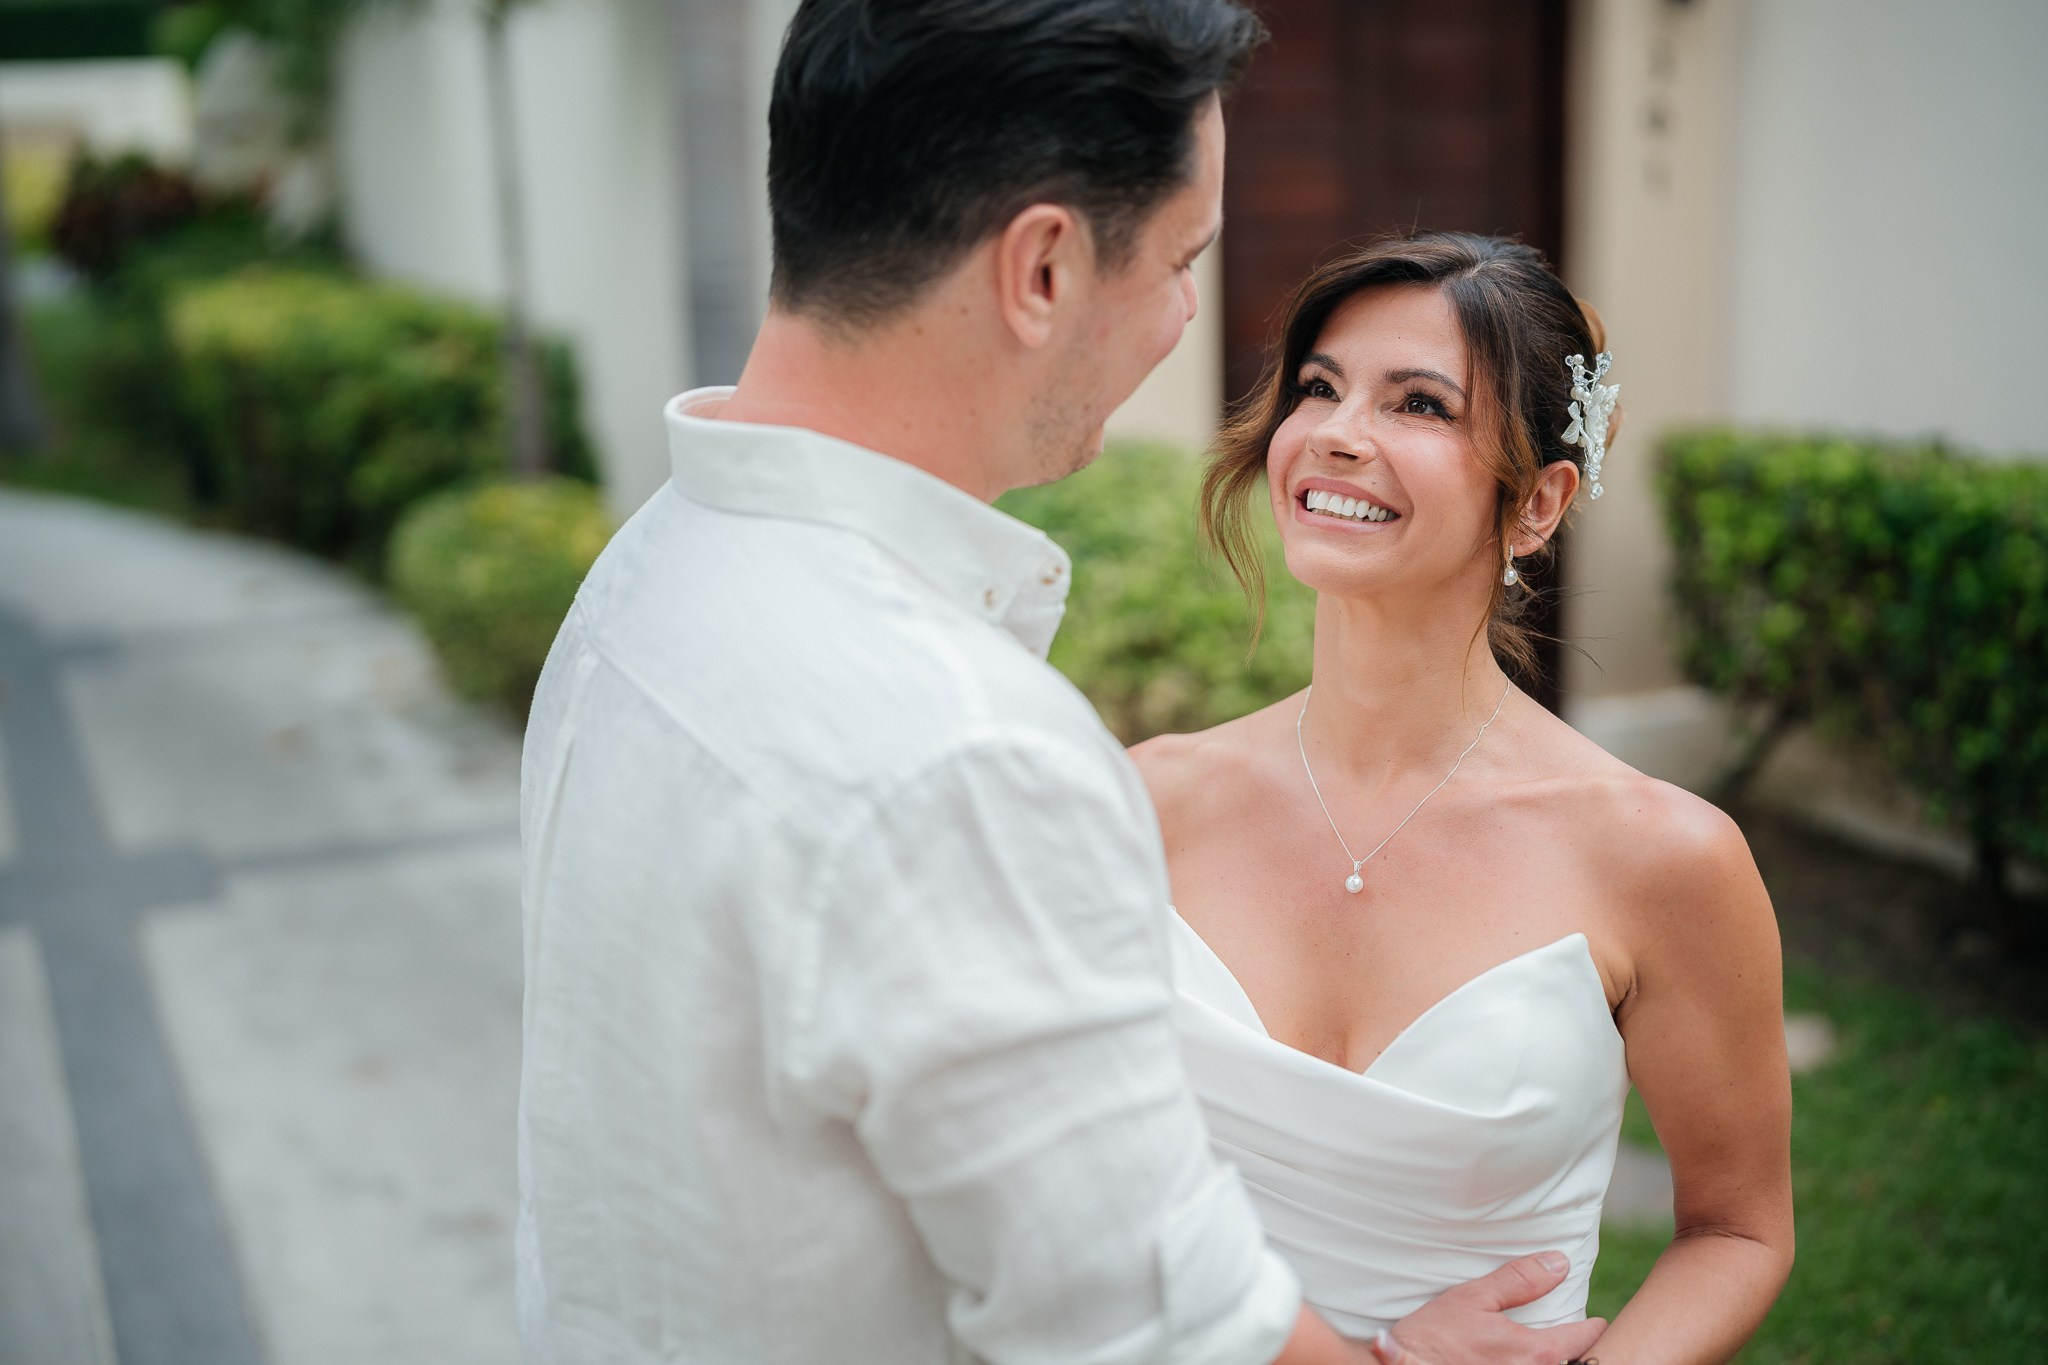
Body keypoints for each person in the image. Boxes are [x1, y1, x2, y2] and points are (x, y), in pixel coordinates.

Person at [516, 3, 1610, 1363]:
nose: (1190, 319)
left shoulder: (645, 573)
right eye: (1181, 258)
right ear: (1042, 268)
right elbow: (1150, 1326)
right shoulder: (968, 755)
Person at [1133, 230, 1797, 1362]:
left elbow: (1738, 1229)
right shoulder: (1152, 800)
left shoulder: (1661, 859)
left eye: (1419, 406)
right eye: (1318, 388)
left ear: (1537, 503)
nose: (1338, 435)